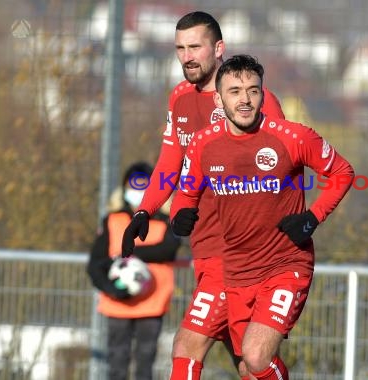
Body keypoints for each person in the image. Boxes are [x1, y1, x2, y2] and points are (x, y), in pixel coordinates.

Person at [121, 11, 286, 380]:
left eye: (195, 47)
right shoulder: (179, 98)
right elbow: (169, 163)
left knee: (188, 347)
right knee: (247, 361)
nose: (187, 56)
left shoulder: (252, 101)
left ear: (219, 48)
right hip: (205, 248)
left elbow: (284, 172)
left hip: (242, 254)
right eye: (180, 48)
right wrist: (144, 211)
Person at [168, 54, 354, 380]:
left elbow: (342, 172)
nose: (245, 100)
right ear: (218, 98)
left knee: (256, 356)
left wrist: (312, 217)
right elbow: (187, 191)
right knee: (247, 367)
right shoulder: (203, 144)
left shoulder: (293, 136)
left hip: (285, 266)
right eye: (235, 91)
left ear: (262, 95)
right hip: (236, 271)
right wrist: (182, 213)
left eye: (253, 91)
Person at [87, 161, 180, 380]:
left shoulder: (166, 220)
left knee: (145, 363)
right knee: (117, 363)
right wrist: (111, 288)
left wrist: (130, 252)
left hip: (152, 303)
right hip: (118, 303)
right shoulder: (112, 220)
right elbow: (95, 264)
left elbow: (169, 249)